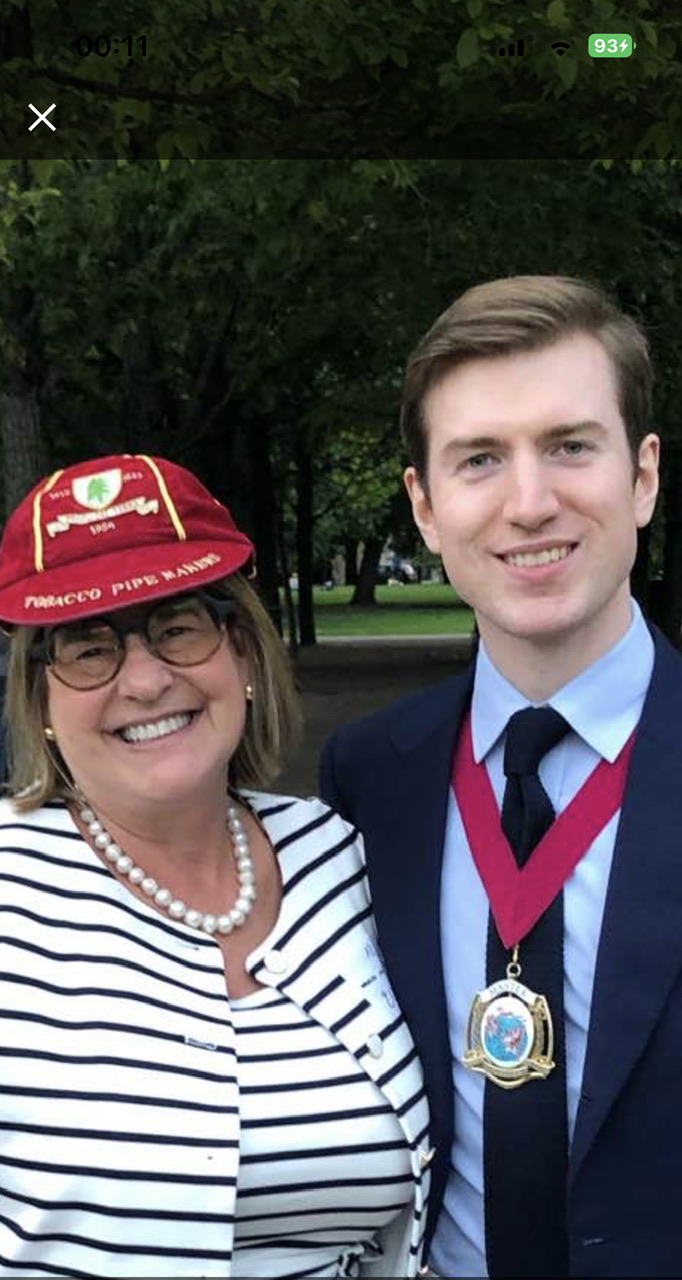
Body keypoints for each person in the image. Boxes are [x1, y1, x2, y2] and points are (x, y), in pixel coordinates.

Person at [320, 275, 681, 1278]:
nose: (529, 502)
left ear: (643, 476)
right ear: (425, 507)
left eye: (570, 445)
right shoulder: (366, 777)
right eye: (480, 459)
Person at [0, 452, 431, 1279]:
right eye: (88, 648)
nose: (148, 679)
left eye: (179, 624)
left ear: (241, 652)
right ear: (41, 699)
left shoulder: (340, 857)